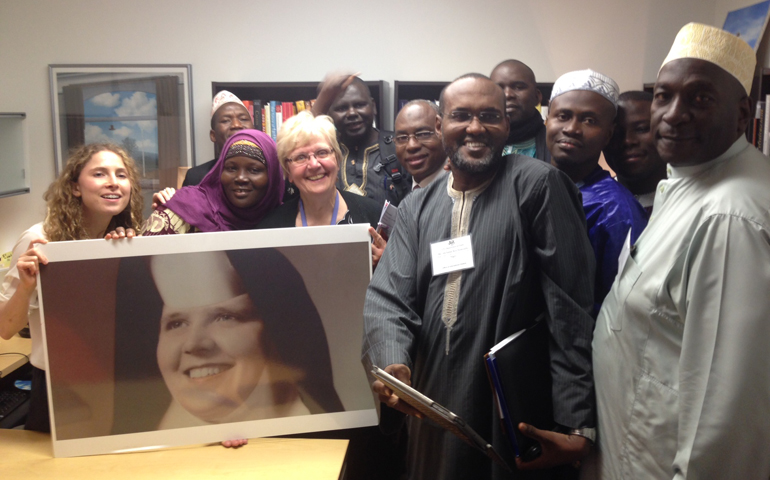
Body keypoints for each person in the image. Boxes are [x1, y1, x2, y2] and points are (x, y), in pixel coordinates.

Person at [362, 73, 597, 480]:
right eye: (461, 116)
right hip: (431, 403)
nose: (475, 127)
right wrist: (393, 363)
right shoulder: (418, 205)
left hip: (512, 411)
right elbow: (389, 298)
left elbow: (571, 308)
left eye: (490, 116)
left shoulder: (538, 186)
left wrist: (577, 424)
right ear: (441, 127)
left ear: (507, 125)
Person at [584, 23, 770, 479]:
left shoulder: (730, 217)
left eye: (701, 98)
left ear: (743, 114)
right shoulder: (690, 179)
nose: (672, 114)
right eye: (664, 96)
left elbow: (725, 413)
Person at [111, 248, 343, 431]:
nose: (194, 344)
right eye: (176, 323)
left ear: (274, 331)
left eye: (224, 317)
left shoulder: (319, 436)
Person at [0, 143, 143, 432]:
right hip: (58, 387)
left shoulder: (125, 238)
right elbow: (5, 328)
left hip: (116, 380)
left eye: (121, 175)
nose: (113, 182)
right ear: (75, 187)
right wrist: (27, 285)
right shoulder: (39, 239)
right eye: (100, 174)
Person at [546, 69, 648, 315]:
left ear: (608, 135)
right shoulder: (528, 185)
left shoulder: (615, 211)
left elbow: (620, 309)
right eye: (563, 116)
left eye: (589, 120)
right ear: (546, 120)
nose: (572, 129)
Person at [257, 111, 386, 266]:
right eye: (300, 157)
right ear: (288, 172)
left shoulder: (374, 215)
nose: (314, 164)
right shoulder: (271, 229)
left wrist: (385, 265)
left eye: (322, 153)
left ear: (337, 160)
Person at [141, 129, 283, 234]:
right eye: (231, 168)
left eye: (254, 170)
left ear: (272, 177)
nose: (240, 178)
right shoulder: (183, 210)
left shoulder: (285, 219)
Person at [320, 76, 410, 207]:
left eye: (359, 105)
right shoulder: (322, 154)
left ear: (373, 106)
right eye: (341, 108)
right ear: (329, 114)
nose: (351, 113)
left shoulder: (400, 148)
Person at [603, 91, 667, 217]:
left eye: (642, 129)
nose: (628, 141)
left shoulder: (695, 203)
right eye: (615, 133)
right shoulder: (591, 204)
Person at [182, 91, 254, 187]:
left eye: (243, 119)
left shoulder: (271, 171)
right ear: (213, 135)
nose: (237, 125)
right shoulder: (196, 177)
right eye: (226, 120)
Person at [490, 59, 548, 160]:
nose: (507, 95)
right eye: (499, 88)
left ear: (537, 96)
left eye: (518, 87)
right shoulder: (474, 143)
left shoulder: (555, 145)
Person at [394, 100, 447, 191]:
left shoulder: (462, 188)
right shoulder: (398, 189)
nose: (412, 146)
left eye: (423, 134)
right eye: (402, 138)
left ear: (443, 132)